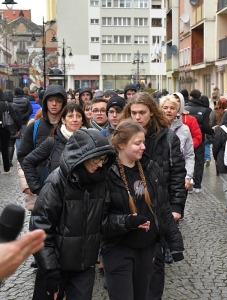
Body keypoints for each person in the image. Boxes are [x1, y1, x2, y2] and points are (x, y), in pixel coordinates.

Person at [101, 120, 184, 300]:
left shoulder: (151, 168)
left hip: (148, 250)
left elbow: (163, 209)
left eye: (144, 142)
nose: (143, 147)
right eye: (137, 143)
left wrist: (175, 244)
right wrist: (127, 221)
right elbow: (99, 221)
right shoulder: (106, 174)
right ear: (121, 145)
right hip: (118, 250)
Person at [29, 128, 116, 300]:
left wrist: (127, 222)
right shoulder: (56, 182)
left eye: (103, 159)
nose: (100, 164)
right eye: (96, 159)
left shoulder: (100, 181)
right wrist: (50, 270)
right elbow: (40, 230)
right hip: (56, 266)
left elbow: (102, 221)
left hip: (84, 267)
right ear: (82, 156)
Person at [120, 92, 186, 300]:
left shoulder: (167, 137)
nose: (137, 117)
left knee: (154, 266)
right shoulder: (121, 136)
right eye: (133, 113)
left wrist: (176, 206)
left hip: (158, 206)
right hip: (128, 206)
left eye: (142, 112)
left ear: (151, 113)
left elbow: (177, 173)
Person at [23, 103, 89, 195]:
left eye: (78, 116)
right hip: (57, 199)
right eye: (70, 116)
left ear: (82, 120)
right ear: (63, 120)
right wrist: (38, 189)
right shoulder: (53, 141)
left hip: (83, 199)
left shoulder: (91, 141)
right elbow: (28, 162)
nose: (75, 120)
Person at [18, 85, 67, 168]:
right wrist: (33, 178)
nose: (54, 104)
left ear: (63, 103)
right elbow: (23, 156)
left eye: (58, 101)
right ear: (45, 102)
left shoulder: (69, 127)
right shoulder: (34, 127)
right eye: (50, 100)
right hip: (40, 178)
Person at [160, 95, 194, 192]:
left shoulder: (185, 129)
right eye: (165, 108)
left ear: (177, 111)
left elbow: (189, 155)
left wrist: (188, 176)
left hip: (179, 176)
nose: (168, 111)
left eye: (172, 108)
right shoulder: (156, 128)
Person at [185, 90, 214, 193]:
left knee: (186, 160)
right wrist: (212, 132)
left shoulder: (185, 109)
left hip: (185, 140)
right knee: (198, 162)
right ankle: (197, 185)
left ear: (191, 97)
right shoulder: (205, 110)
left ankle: (188, 181)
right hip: (199, 139)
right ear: (199, 97)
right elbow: (206, 127)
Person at [0, 89, 22, 174]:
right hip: (5, 128)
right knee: (5, 148)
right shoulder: (6, 104)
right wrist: (18, 127)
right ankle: (6, 168)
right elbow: (15, 117)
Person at [13, 87, 33, 151]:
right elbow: (30, 110)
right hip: (24, 122)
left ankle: (19, 153)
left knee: (17, 138)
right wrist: (24, 116)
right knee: (24, 137)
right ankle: (23, 152)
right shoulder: (26, 100)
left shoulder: (12, 100)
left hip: (15, 123)